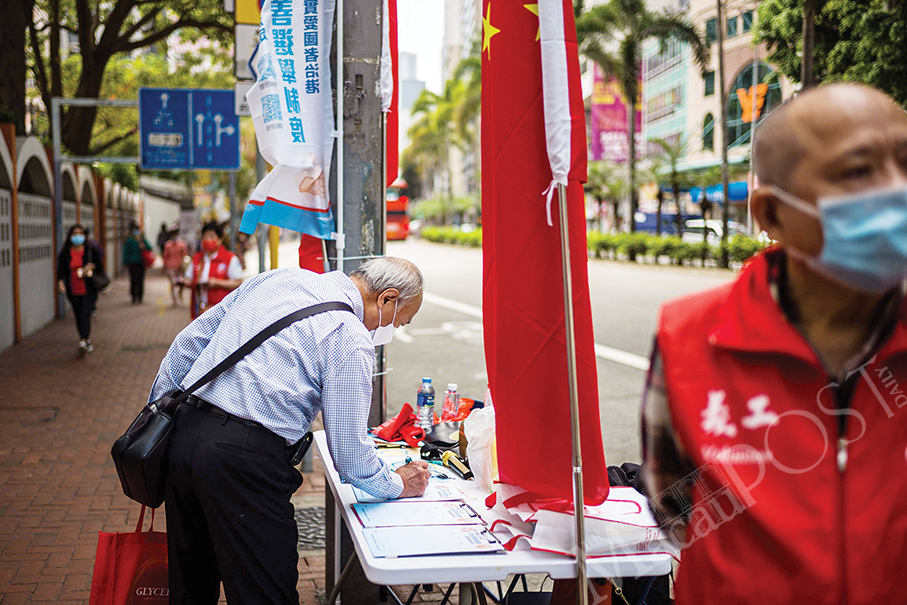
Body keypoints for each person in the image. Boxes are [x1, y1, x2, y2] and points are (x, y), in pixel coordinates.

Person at [642, 83, 907, 603]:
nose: (896, 188)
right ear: (771, 213)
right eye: (859, 171)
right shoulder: (689, 336)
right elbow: (675, 508)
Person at [148, 256, 431, 604]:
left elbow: (189, 343)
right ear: (386, 298)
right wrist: (399, 483)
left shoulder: (280, 279)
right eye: (399, 321)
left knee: (190, 586)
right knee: (266, 592)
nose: (390, 330)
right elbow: (350, 456)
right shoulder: (349, 335)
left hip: (184, 434)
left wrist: (157, 424)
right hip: (245, 461)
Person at [57, 224, 103, 356]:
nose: (78, 237)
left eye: (80, 234)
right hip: (73, 289)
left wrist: (91, 266)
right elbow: (61, 270)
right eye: (75, 234)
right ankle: (84, 338)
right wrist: (60, 283)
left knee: (85, 313)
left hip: (88, 289)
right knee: (78, 314)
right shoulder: (66, 252)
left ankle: (84, 339)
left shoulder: (90, 250)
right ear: (70, 236)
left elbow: (99, 266)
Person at [184, 222, 244, 319]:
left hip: (222, 313)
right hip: (200, 311)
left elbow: (238, 282)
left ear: (219, 240)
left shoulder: (229, 258)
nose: (208, 240)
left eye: (211, 237)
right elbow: (189, 278)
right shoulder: (197, 258)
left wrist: (217, 283)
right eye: (205, 237)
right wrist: (185, 283)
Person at [122, 221, 152, 303]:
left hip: (141, 262)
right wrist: (125, 262)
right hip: (132, 263)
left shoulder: (142, 239)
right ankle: (134, 295)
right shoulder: (129, 240)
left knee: (140, 279)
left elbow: (149, 248)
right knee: (134, 279)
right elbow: (126, 252)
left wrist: (143, 246)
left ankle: (139, 295)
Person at [162, 230, 189, 305]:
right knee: (173, 283)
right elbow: (165, 256)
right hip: (171, 267)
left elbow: (185, 255)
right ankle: (174, 298)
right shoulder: (167, 245)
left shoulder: (182, 245)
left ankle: (180, 293)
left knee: (181, 283)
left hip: (180, 267)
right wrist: (165, 266)